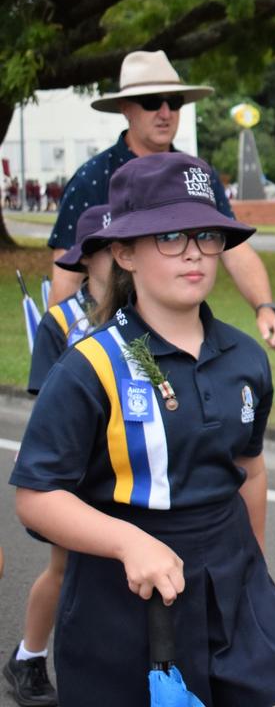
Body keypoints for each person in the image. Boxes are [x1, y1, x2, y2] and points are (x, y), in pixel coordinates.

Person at [8, 152, 275, 706]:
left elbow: (249, 470)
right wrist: (129, 541)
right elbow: (37, 497)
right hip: (123, 601)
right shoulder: (90, 366)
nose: (194, 253)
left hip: (236, 584)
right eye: (171, 235)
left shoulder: (246, 357)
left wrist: (255, 568)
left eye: (206, 234)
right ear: (124, 253)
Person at [47, 50, 275, 351]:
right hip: (110, 342)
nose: (165, 112)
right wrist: (59, 349)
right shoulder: (93, 178)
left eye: (173, 102)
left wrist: (265, 307)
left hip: (181, 338)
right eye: (152, 102)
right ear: (126, 108)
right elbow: (66, 271)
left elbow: (233, 248)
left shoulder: (195, 174)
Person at [3, 205, 112, 707]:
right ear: (86, 259)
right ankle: (29, 655)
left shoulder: (142, 317)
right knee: (66, 567)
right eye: (108, 250)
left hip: (126, 464)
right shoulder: (61, 321)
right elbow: (46, 400)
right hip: (75, 469)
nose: (120, 259)